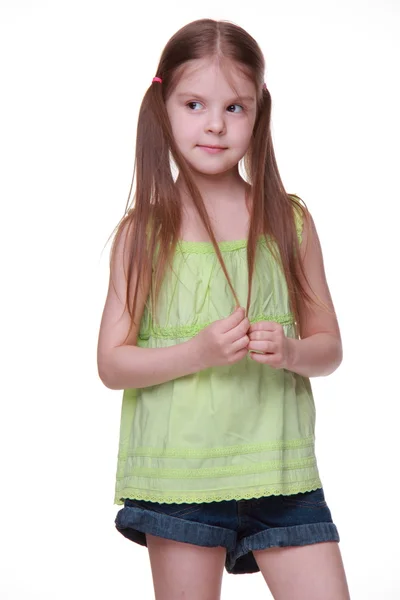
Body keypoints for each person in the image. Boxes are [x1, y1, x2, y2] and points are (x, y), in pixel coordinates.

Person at [97, 18, 351, 600]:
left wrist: (290, 351)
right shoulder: (144, 235)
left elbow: (329, 347)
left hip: (282, 474)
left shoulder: (288, 221)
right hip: (178, 478)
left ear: (259, 111)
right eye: (194, 104)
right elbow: (112, 364)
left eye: (235, 107)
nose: (214, 124)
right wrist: (198, 352)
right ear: (162, 107)